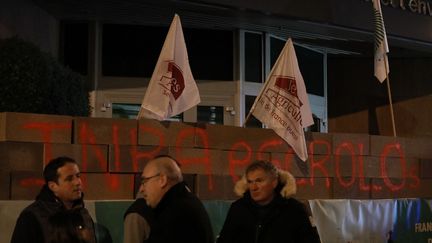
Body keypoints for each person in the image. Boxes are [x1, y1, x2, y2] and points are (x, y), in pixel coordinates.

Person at [217, 160, 320, 243]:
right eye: (250, 182)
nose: (254, 187)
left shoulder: (295, 210)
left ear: (274, 183)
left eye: (259, 181)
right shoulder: (238, 209)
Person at [10, 156, 96, 243]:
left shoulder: (83, 214)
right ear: (53, 186)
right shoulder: (31, 217)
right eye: (69, 179)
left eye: (78, 176)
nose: (78, 182)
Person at [139, 155, 214, 243]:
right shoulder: (185, 202)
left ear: (162, 180)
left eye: (145, 181)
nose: (141, 189)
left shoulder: (175, 213)